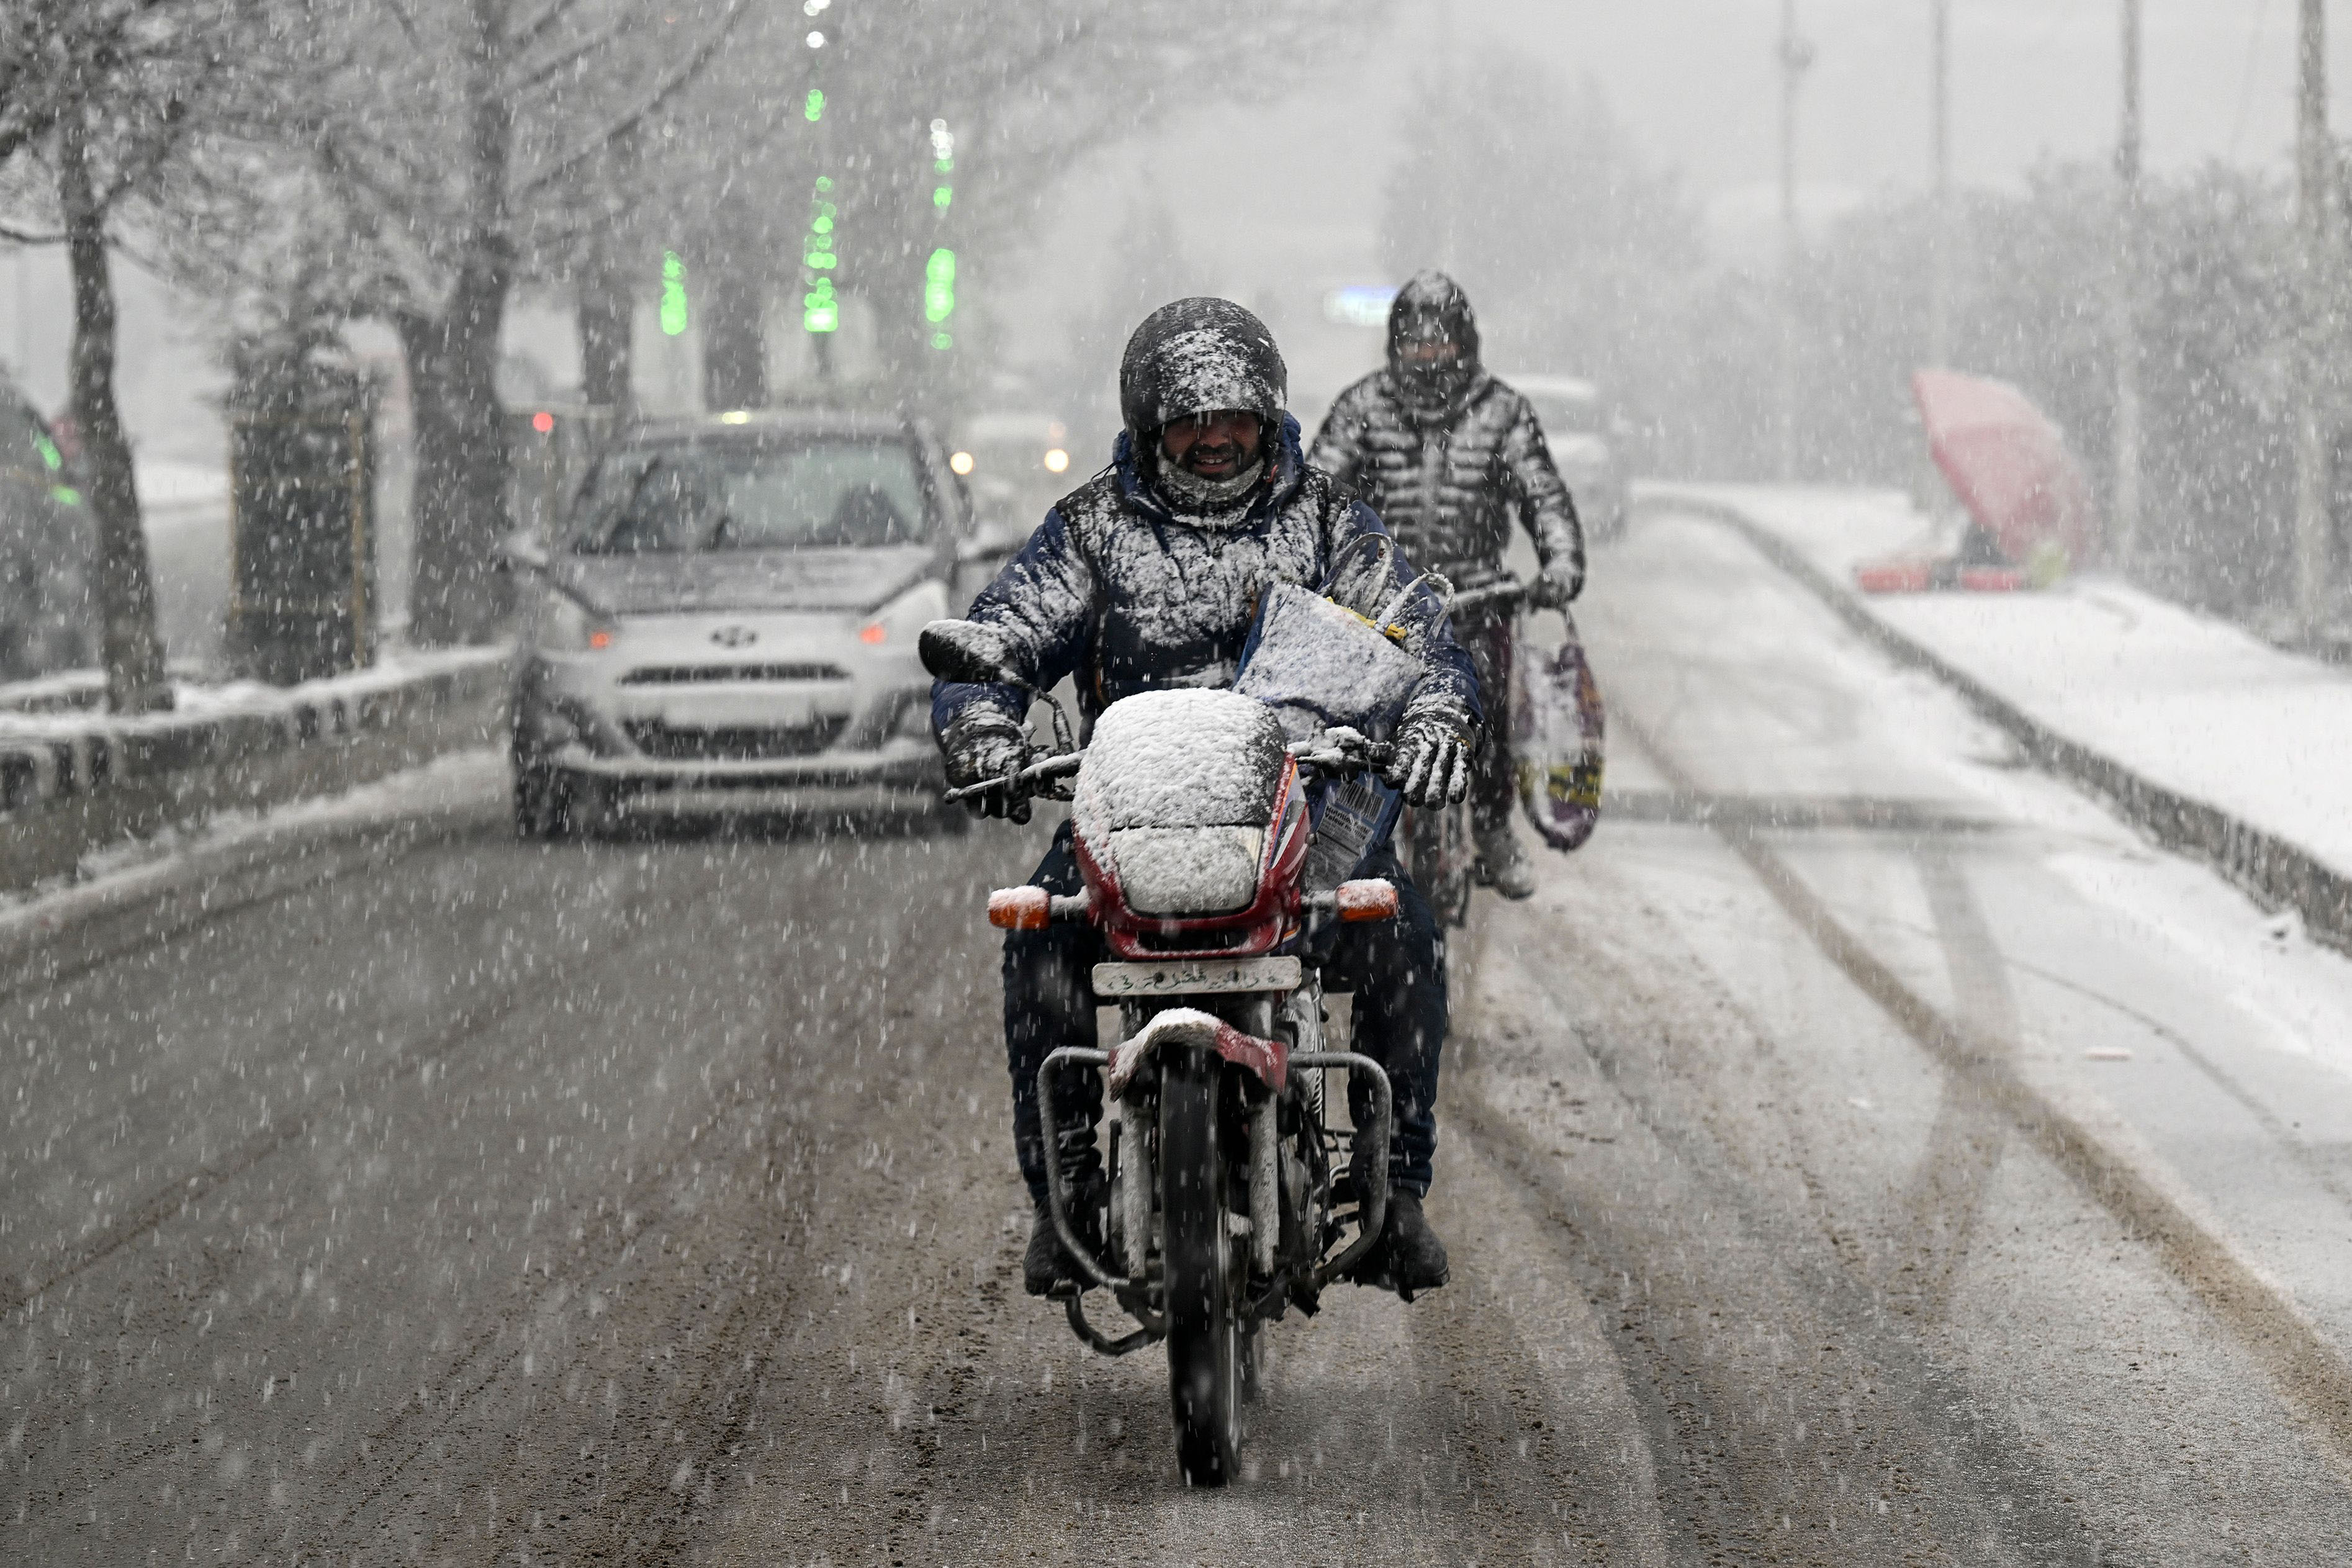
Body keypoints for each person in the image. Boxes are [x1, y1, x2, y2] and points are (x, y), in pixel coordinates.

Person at [931, 297, 1480, 1299]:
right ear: (1149, 425)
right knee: (1040, 946)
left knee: (1405, 939)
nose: (1213, 437)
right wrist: (979, 722)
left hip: (1302, 821)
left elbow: (1421, 643)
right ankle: (1070, 1195)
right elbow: (1002, 637)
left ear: (1269, 416)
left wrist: (1438, 715)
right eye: (1188, 418)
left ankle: (1394, 1190)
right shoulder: (1090, 529)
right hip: (1128, 820)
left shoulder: (1328, 520)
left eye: (1233, 416)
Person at [1309, 271, 1586, 901]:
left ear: (1465, 341)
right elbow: (1318, 495)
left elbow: (1542, 495)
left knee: (1485, 714)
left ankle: (1492, 829)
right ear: (1394, 344)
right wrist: (1309, 567)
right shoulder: (1362, 408)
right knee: (1358, 731)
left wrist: (1561, 562)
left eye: (1440, 339)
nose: (1427, 353)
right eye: (1414, 339)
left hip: (1479, 595)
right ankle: (1350, 841)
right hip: (1384, 604)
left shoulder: (1503, 412)